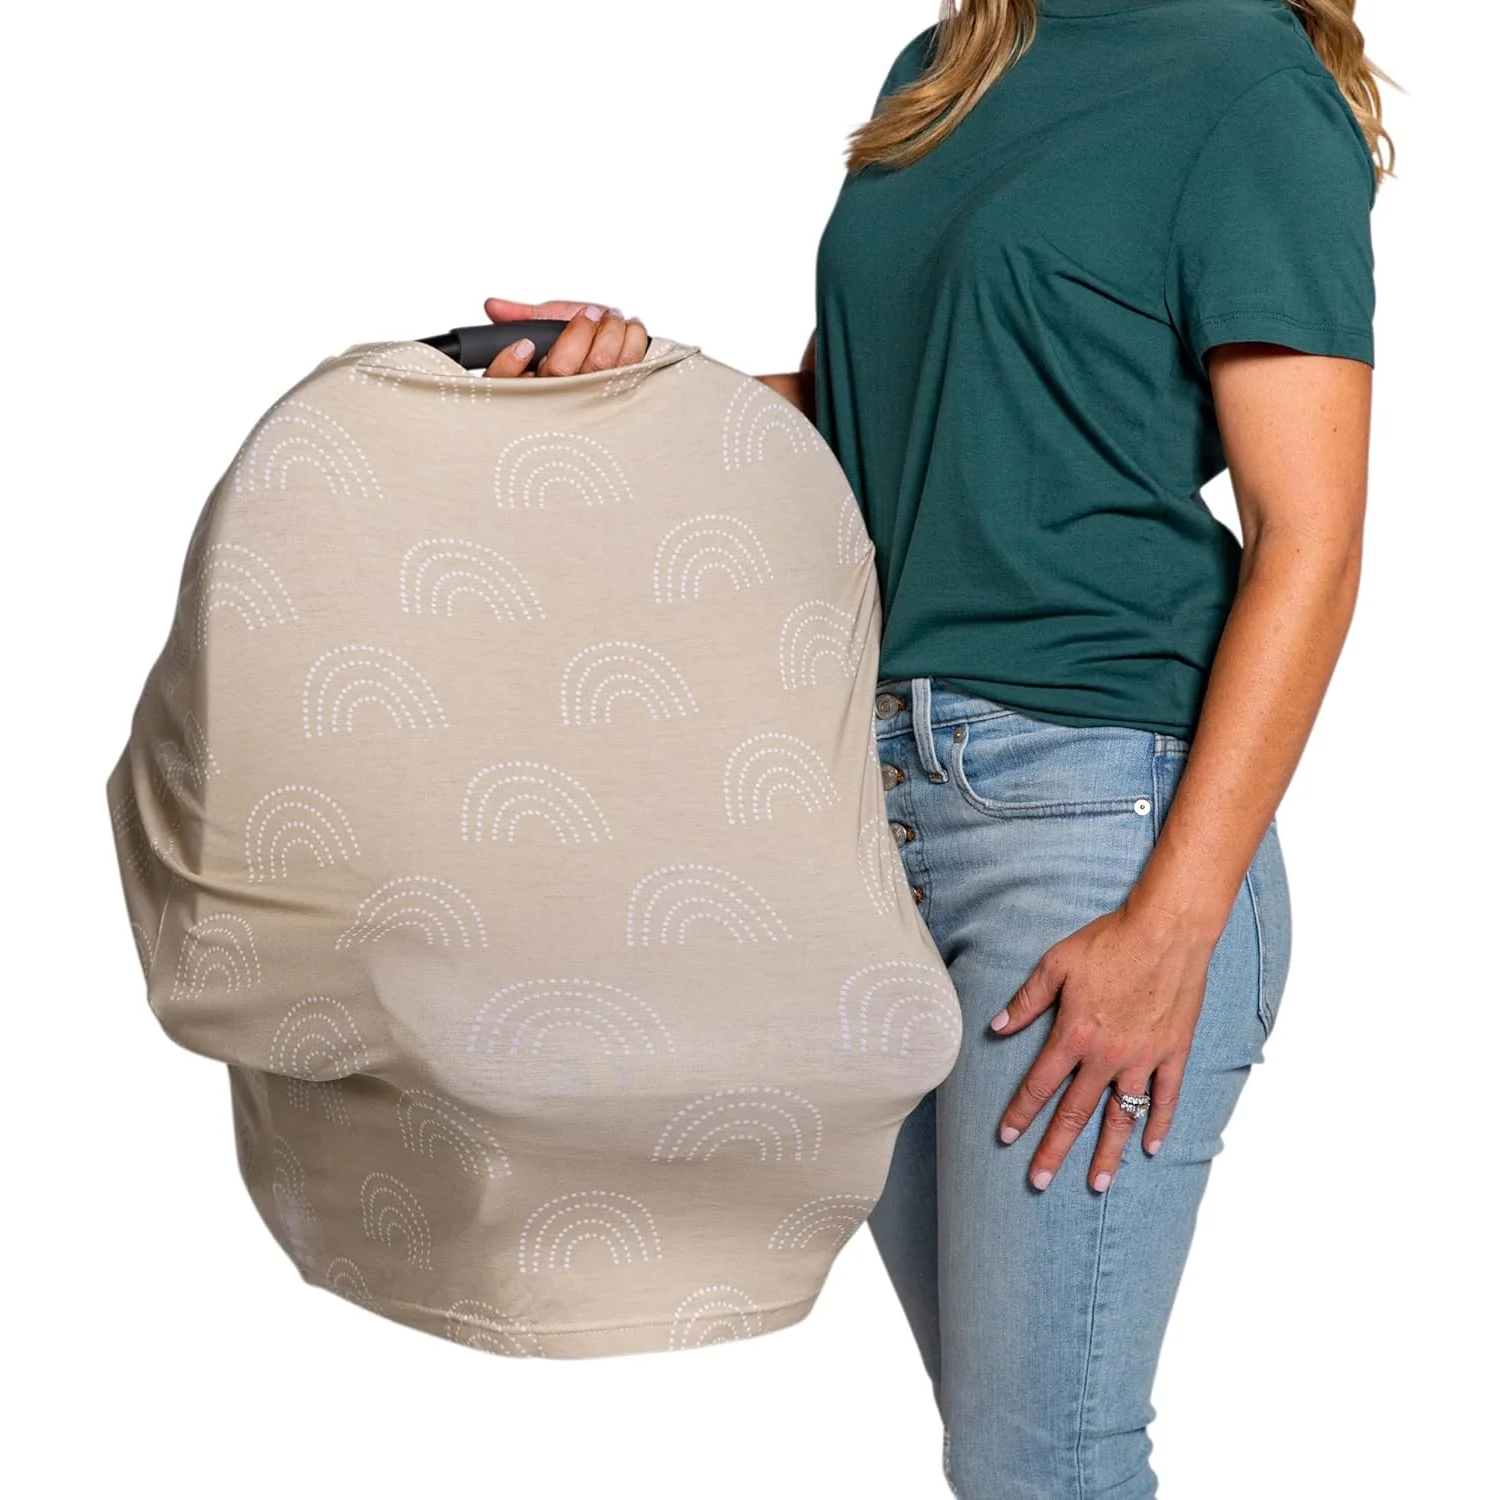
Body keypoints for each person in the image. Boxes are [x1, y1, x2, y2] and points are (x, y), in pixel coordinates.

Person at [477, 1, 1390, 1493]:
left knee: (1043, 1460)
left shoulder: (1248, 84)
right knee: (1003, 1454)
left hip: (1089, 825)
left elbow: (1315, 541)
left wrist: (1173, 925)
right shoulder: (950, 66)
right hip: (874, 810)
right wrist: (628, 384)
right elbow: (868, 428)